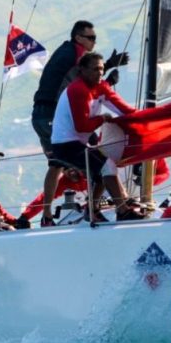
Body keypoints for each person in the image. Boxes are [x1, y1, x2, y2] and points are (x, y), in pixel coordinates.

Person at [32, 20, 128, 226]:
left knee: (88, 157)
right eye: (91, 38)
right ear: (78, 38)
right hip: (50, 113)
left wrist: (108, 70)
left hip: (46, 112)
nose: (94, 42)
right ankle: (56, 215)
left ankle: (93, 207)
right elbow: (80, 81)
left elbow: (84, 79)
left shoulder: (68, 51)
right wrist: (110, 72)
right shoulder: (75, 52)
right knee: (63, 162)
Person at [51, 52, 144, 221]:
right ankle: (122, 210)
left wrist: (146, 118)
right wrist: (102, 118)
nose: (100, 73)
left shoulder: (100, 86)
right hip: (64, 145)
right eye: (95, 69)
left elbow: (124, 110)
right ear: (82, 70)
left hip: (77, 143)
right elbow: (82, 126)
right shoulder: (78, 90)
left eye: (101, 69)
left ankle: (91, 211)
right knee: (106, 166)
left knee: (101, 170)